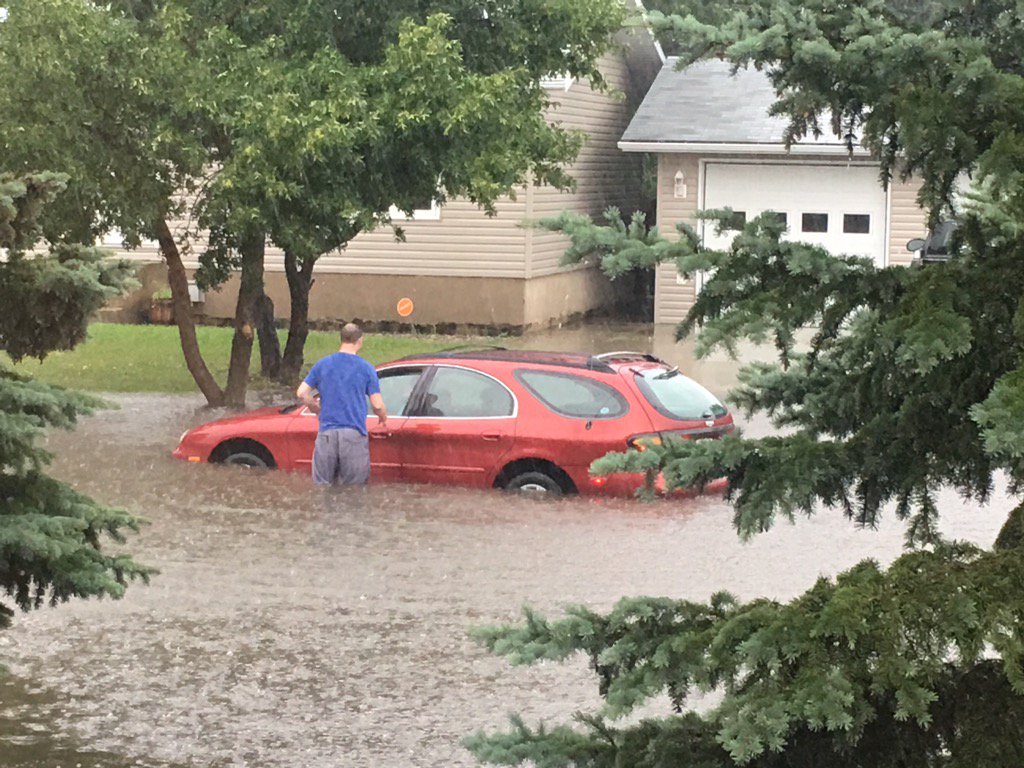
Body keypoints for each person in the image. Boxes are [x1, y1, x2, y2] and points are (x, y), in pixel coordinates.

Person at [296, 323, 387, 486]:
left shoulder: (322, 364)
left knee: (322, 488)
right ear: (360, 341)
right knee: (353, 492)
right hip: (353, 435)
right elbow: (378, 405)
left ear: (342, 339)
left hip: (326, 435)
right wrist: (383, 418)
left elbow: (302, 392)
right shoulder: (366, 368)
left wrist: (315, 408)